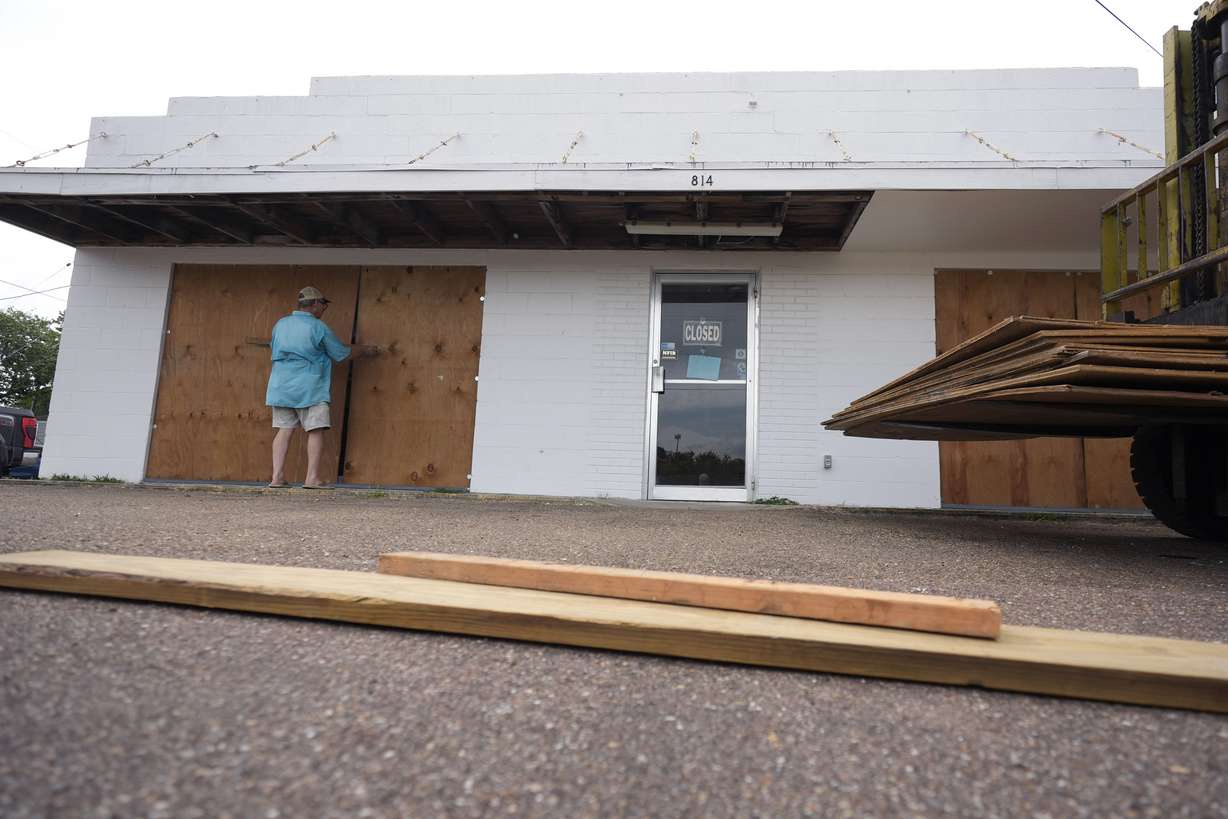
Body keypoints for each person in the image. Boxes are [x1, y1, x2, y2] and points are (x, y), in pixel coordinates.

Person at [266, 286, 378, 488]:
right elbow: (341, 354)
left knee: (284, 429)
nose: (325, 308)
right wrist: (364, 350)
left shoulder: (280, 324)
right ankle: (311, 478)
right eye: (324, 304)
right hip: (310, 387)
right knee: (315, 430)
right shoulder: (318, 327)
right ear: (315, 304)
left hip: (280, 386)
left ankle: (276, 477)